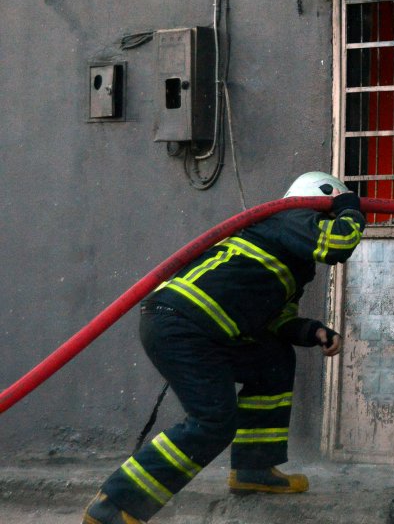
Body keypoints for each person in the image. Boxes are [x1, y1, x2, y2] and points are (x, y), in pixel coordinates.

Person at [83, 172, 366, 524]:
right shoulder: (290, 218)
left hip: (200, 327)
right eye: (328, 216)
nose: (327, 223)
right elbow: (339, 243)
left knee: (273, 359)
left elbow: (276, 320)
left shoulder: (291, 253)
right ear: (319, 202)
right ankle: (114, 507)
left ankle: (254, 469)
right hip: (184, 325)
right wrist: (350, 207)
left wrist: (313, 331)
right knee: (213, 422)